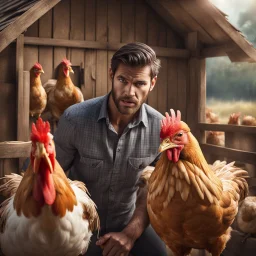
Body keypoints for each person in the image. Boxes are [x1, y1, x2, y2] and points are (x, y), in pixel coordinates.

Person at [54, 42, 168, 256]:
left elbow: (153, 191)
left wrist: (130, 234)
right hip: (81, 225)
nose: (129, 91)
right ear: (111, 75)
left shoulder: (160, 128)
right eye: (122, 80)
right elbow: (49, 173)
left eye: (140, 83)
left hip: (131, 222)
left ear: (152, 83)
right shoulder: (74, 119)